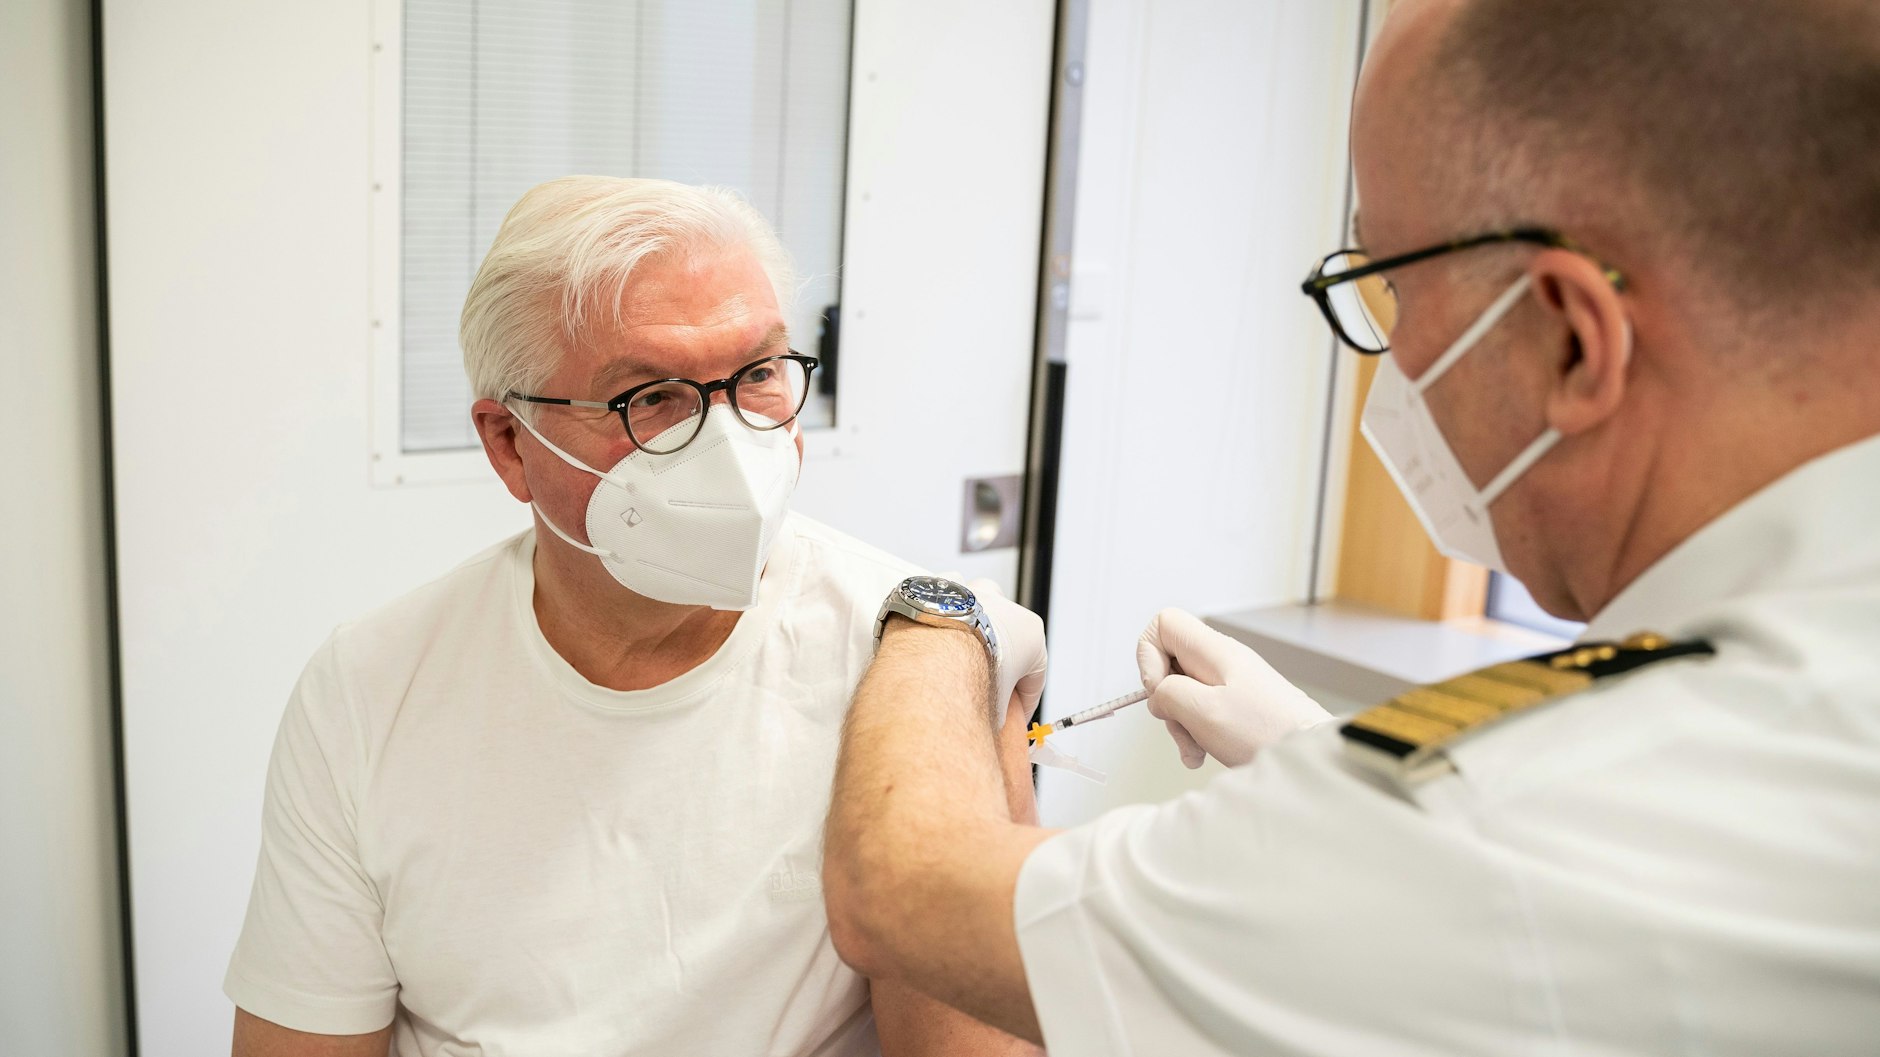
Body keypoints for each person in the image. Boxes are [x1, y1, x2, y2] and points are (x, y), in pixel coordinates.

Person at [821, 0, 1880, 1052]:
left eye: (1388, 295)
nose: (1387, 362)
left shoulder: (1521, 822)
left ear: (1568, 340)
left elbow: (899, 889)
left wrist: (937, 611)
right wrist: (1315, 753)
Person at [226, 176, 1039, 1056]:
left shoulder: (913, 666)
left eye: (760, 373)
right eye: (650, 396)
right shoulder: (369, 691)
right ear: (510, 444)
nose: (729, 448)